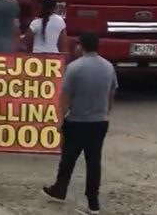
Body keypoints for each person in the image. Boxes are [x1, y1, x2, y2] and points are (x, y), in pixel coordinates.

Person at [43, 32, 118, 214]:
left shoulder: (74, 68)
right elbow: (112, 91)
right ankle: (93, 202)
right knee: (94, 162)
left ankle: (60, 189)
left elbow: (66, 96)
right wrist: (107, 112)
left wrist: (60, 119)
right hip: (99, 122)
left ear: (81, 46)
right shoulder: (108, 67)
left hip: (77, 121)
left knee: (68, 159)